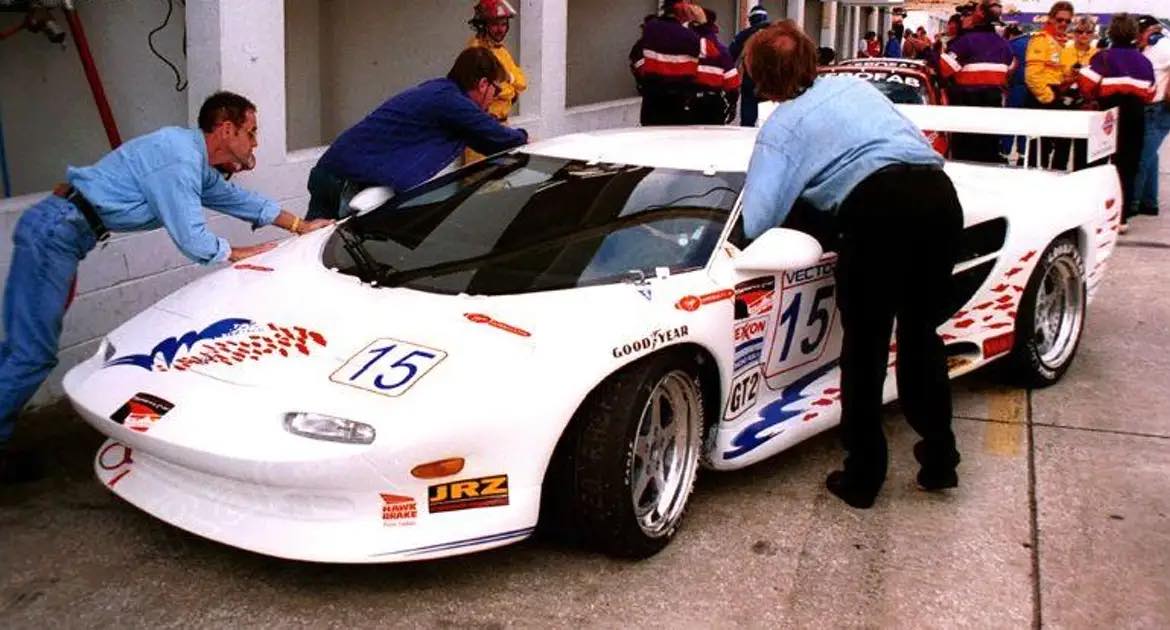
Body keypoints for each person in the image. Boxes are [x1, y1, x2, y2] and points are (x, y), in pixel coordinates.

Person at [0, 92, 332, 484]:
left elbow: (235, 198)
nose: (255, 143)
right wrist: (239, 253)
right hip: (56, 232)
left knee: (19, 349)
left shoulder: (191, 159)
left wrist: (299, 226)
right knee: (31, 356)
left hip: (62, 232)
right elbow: (192, 239)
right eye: (251, 132)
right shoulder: (179, 159)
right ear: (227, 130)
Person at [740, 21, 962, 509]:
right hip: (939, 200)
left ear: (762, 77)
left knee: (866, 349)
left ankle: (863, 476)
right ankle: (940, 458)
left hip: (879, 214)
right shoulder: (853, 88)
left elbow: (756, 220)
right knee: (921, 335)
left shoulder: (782, 127)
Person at [306, 48, 528, 220]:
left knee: (311, 245)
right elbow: (499, 137)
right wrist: (525, 138)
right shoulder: (452, 102)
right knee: (337, 253)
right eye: (497, 90)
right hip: (347, 182)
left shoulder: (440, 91)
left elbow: (485, 141)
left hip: (332, 169)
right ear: (482, 84)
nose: (496, 98)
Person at [1077, 13, 1155, 231]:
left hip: (1107, 115)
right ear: (1134, 33)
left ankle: (1096, 214)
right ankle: (1121, 218)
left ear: (1111, 32)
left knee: (1098, 164)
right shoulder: (1144, 62)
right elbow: (1150, 93)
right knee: (1128, 166)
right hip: (1135, 116)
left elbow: (1085, 86)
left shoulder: (1102, 57)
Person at [939, 0, 1015, 163]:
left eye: (967, 14)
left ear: (979, 14)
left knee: (963, 162)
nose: (963, 18)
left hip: (965, 115)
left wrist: (926, 50)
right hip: (992, 116)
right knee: (987, 161)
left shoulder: (965, 42)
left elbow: (943, 69)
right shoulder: (1005, 46)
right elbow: (1008, 72)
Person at [630, 0, 717, 126]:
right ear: (680, 7)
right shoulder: (687, 36)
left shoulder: (651, 28)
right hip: (679, 105)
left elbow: (637, 57)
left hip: (651, 104)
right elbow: (712, 51)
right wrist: (704, 24)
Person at [464, 0, 526, 163]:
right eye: (495, 24)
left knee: (501, 174)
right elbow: (495, 90)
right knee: (480, 176)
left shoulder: (501, 50)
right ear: (482, 25)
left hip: (501, 126)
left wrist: (509, 81)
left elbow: (522, 82)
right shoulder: (477, 52)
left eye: (504, 24)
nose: (501, 29)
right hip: (482, 128)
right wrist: (509, 87)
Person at [1025, 2, 1074, 168]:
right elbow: (1032, 75)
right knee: (1039, 149)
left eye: (1067, 21)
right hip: (1043, 97)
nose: (1064, 24)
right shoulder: (1041, 39)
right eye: (1060, 20)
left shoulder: (1063, 43)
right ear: (1051, 19)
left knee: (1062, 145)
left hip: (1058, 95)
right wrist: (1048, 98)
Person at [1134, 14, 1170, 216]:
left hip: (1159, 109)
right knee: (1150, 157)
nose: (1137, 37)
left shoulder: (1164, 46)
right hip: (1148, 108)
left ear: (1152, 32)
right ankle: (1149, 202)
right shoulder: (1146, 48)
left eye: (1140, 33)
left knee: (1141, 158)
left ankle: (1132, 202)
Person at [1054, 15, 1099, 170]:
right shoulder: (1064, 52)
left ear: (1093, 34)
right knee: (1061, 145)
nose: (1084, 35)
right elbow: (1056, 79)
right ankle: (1057, 175)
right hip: (1065, 102)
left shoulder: (1097, 54)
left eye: (1088, 32)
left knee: (1083, 148)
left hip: (1087, 104)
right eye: (1080, 32)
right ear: (1073, 33)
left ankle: (1081, 176)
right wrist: (1073, 77)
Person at [691, 8, 740, 124]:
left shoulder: (686, 45)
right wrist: (732, 104)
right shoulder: (721, 50)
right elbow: (732, 83)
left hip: (688, 102)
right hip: (713, 104)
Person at [730, 5, 770, 126]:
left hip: (751, 77)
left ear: (751, 19)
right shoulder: (777, 34)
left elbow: (731, 54)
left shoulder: (744, 35)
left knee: (749, 103)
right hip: (773, 78)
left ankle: (748, 128)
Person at [1001, 23, 1033, 161]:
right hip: (1032, 88)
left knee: (1010, 120)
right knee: (1026, 121)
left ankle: (1005, 152)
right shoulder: (1033, 43)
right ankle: (1023, 153)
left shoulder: (1010, 45)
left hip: (1016, 87)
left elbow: (1008, 68)